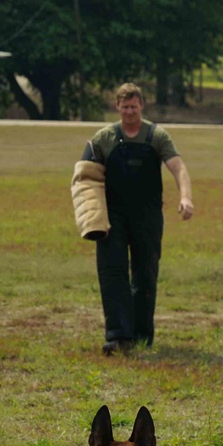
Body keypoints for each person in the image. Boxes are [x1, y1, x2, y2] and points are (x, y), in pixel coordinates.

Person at [81, 83, 194, 356]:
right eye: (125, 106)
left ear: (142, 106)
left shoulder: (156, 136)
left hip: (148, 215)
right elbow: (83, 177)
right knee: (113, 274)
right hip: (112, 217)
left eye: (134, 106)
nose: (129, 111)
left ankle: (143, 335)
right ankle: (118, 337)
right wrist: (89, 215)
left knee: (145, 275)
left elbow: (178, 167)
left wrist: (186, 197)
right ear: (117, 107)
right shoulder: (104, 138)